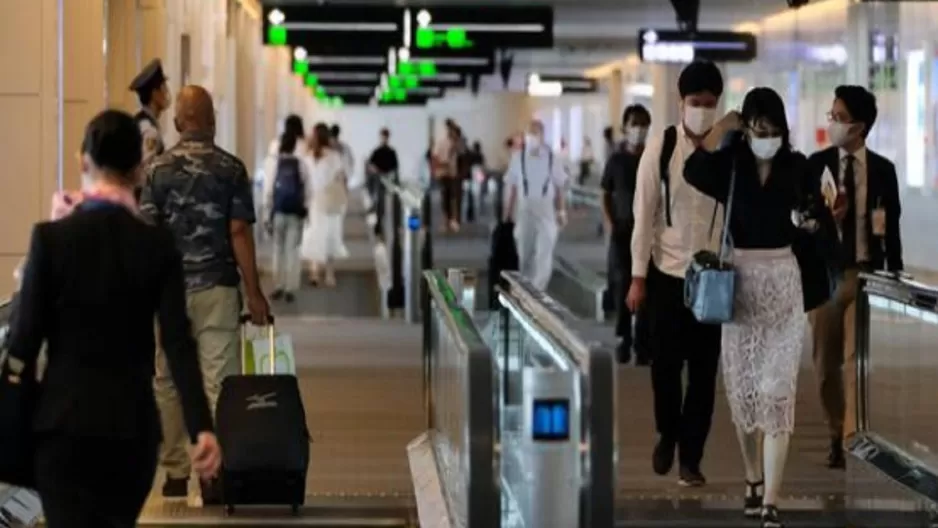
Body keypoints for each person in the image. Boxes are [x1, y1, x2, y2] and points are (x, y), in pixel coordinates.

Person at [3, 109, 221, 527]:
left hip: (61, 429)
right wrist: (201, 427)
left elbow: (23, 341)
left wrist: (15, 416)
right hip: (130, 431)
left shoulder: (51, 240)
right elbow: (177, 343)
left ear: (84, 162)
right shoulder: (156, 246)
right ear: (139, 168)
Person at [684, 88, 838, 528]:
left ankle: (771, 499)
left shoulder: (799, 166)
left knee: (776, 392)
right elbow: (693, 169)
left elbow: (817, 217)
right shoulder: (731, 165)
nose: (767, 137)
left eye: (774, 131)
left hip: (784, 288)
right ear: (747, 128)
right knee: (743, 395)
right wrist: (722, 127)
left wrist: (810, 221)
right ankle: (752, 475)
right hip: (740, 290)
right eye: (758, 130)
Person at [140, 85, 270, 502]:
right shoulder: (231, 169)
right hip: (217, 288)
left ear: (178, 122)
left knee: (168, 382)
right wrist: (254, 293)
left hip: (168, 294)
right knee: (221, 381)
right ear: (212, 121)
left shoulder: (156, 171)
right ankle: (215, 474)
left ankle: (175, 472)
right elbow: (237, 232)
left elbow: (145, 235)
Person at [627, 60, 724, 487]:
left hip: (713, 278)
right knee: (665, 368)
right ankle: (668, 432)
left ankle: (691, 457)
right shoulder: (661, 147)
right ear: (680, 103)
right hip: (667, 273)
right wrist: (637, 276)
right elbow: (642, 215)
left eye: (710, 104)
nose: (702, 110)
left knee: (704, 374)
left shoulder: (727, 149)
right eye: (695, 102)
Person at [808, 85, 903, 469]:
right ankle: (835, 430)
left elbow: (891, 226)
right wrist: (825, 220)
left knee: (854, 361)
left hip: (864, 275)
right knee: (825, 363)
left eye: (839, 118)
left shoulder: (883, 171)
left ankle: (849, 438)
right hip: (825, 278)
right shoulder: (816, 166)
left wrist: (894, 275)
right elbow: (801, 221)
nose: (832, 123)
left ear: (860, 126)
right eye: (831, 116)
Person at [601, 104, 651, 365]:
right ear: (625, 127)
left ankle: (643, 342)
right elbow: (605, 193)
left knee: (646, 286)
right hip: (622, 231)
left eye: (644, 125)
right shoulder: (616, 161)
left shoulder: (653, 158)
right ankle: (623, 337)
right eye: (635, 124)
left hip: (649, 232)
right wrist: (610, 222)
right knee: (622, 283)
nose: (639, 130)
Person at [504, 119, 569, 290]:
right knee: (524, 252)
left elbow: (559, 185)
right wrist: (507, 214)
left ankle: (539, 291)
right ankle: (524, 289)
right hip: (525, 209)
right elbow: (512, 187)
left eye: (536, 133)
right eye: (531, 133)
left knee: (544, 253)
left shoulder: (551, 157)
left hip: (546, 209)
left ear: (543, 135)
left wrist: (561, 211)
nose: (533, 137)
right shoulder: (518, 157)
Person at [263, 128, 313, 303]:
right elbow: (308, 190)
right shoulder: (301, 164)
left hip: (278, 212)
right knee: (293, 250)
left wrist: (266, 214)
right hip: (295, 213)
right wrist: (306, 210)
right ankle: (290, 288)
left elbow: (268, 191)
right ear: (294, 146)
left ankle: (279, 285)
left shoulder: (273, 164)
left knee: (278, 250)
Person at [301, 123, 350, 287]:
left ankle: (314, 272)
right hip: (331, 202)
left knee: (313, 234)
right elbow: (341, 178)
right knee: (331, 236)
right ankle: (330, 275)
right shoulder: (334, 157)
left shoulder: (307, 157)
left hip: (313, 201)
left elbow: (304, 181)